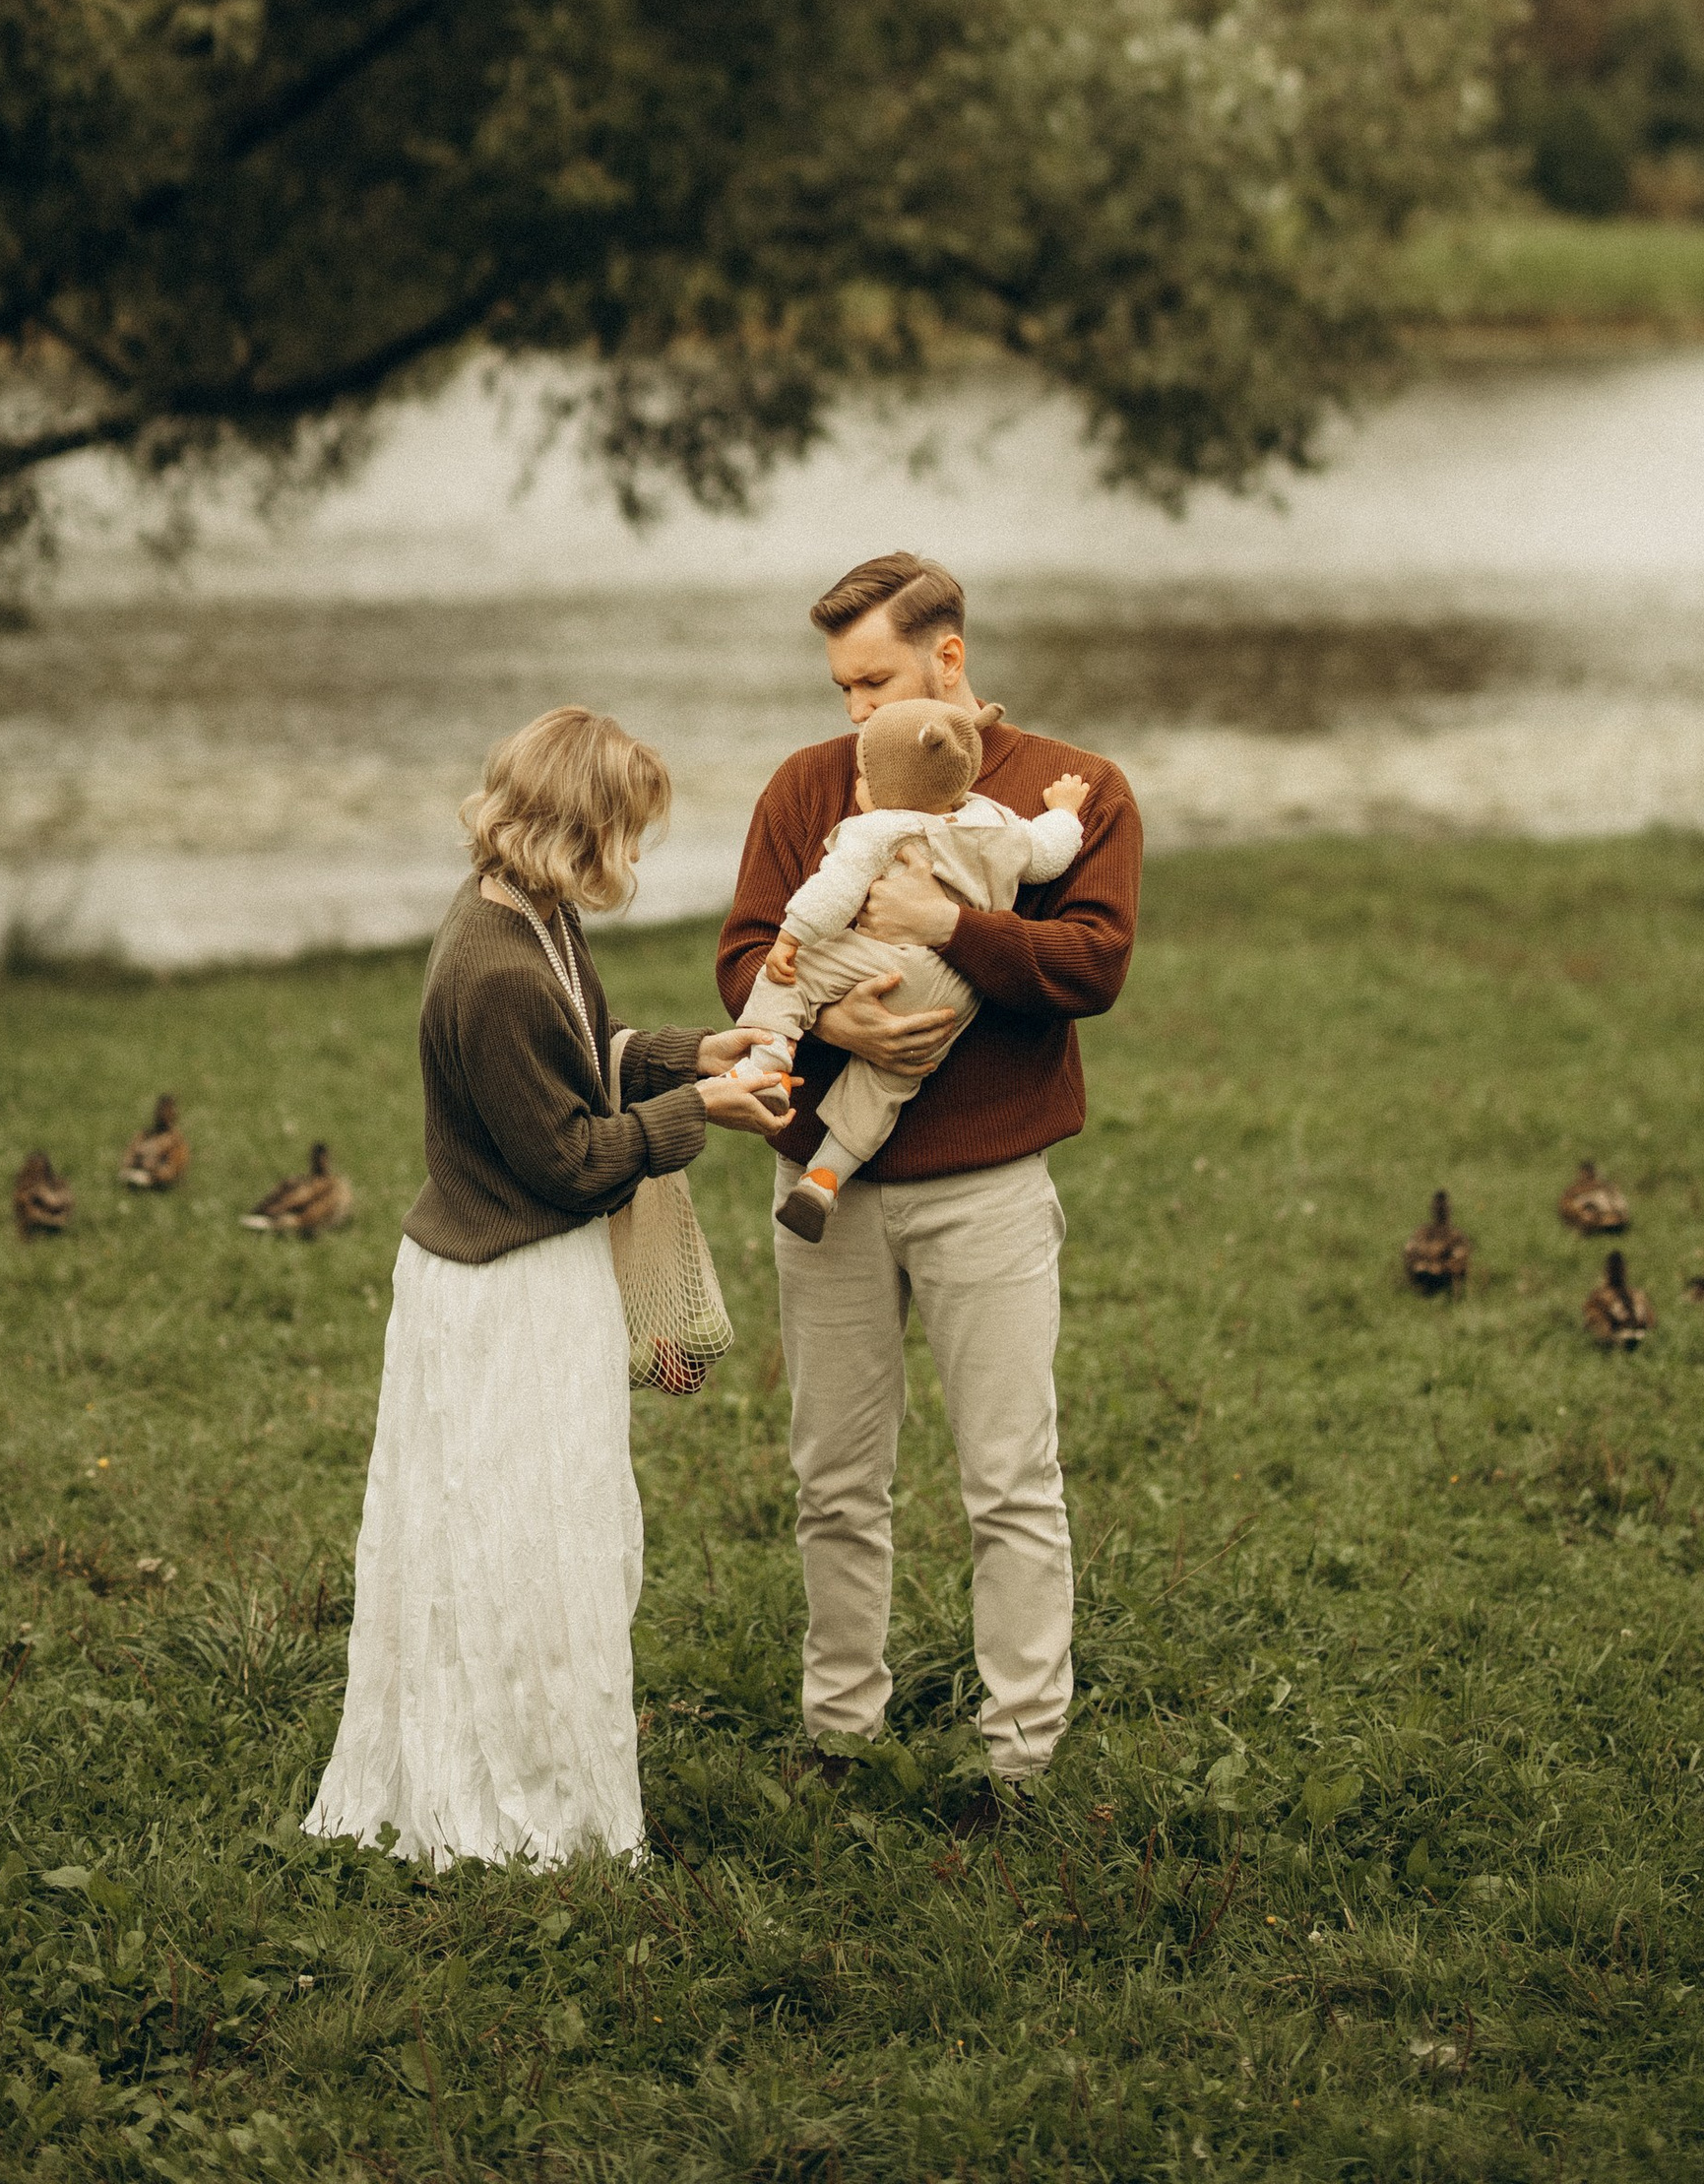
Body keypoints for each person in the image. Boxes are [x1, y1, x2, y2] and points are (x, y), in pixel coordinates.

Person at [307, 705, 786, 1870]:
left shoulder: (534, 920)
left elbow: (592, 1046)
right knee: (519, 1542)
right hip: (503, 1290)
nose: (636, 853)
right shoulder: (494, 966)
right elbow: (568, 1160)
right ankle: (517, 1808)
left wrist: (691, 1054)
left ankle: (541, 1767)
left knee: (555, 1532)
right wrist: (698, 1116)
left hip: (521, 1271)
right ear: (579, 829)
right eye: (627, 828)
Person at [717, 552, 1140, 1795]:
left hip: (985, 1183)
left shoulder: (1077, 791)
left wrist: (951, 928)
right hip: (823, 1189)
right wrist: (834, 1026)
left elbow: (1094, 964)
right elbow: (750, 946)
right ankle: (839, 1735)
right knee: (834, 1476)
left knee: (1010, 1476)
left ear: (947, 659)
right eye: (842, 685)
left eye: (875, 680)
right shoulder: (807, 786)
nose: (854, 713)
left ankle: (1022, 1758)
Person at [729, 694, 1089, 1241]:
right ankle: (824, 1179)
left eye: (864, 775)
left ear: (890, 787)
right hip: (953, 991)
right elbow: (1050, 853)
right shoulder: (997, 823)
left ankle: (770, 1064)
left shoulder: (879, 828)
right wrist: (1064, 809)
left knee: (792, 974)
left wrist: (792, 935)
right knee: (889, 1082)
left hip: (883, 959)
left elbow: (834, 890)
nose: (856, 787)